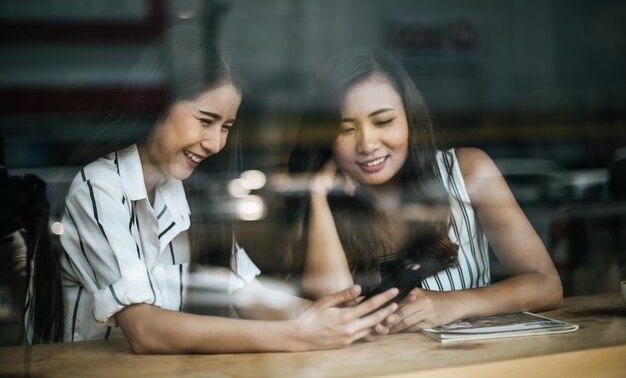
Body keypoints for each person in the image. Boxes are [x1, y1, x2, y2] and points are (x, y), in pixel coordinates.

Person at [24, 33, 399, 353]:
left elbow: (248, 294)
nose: (216, 143)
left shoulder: (185, 190)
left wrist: (347, 319)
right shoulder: (99, 185)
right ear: (157, 105)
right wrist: (296, 334)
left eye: (227, 127)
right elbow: (144, 330)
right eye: (206, 120)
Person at [285, 46, 563, 333]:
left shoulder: (468, 171)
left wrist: (453, 304)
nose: (367, 144)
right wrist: (318, 196)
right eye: (345, 129)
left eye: (383, 121)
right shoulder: (323, 199)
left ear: (409, 119)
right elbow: (336, 317)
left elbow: (546, 285)